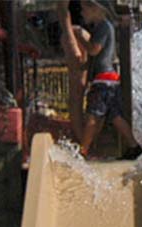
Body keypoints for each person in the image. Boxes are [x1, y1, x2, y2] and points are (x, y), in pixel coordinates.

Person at [69, 0, 142, 160]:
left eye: (84, 9)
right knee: (115, 116)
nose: (82, 13)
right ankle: (134, 146)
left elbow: (94, 50)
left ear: (96, 8)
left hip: (103, 79)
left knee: (92, 115)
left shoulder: (103, 26)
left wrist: (79, 36)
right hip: (110, 79)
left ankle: (83, 151)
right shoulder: (104, 27)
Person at [57, 1, 90, 142]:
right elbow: (62, 7)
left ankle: (86, 136)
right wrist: (71, 40)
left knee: (89, 86)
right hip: (76, 32)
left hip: (91, 30)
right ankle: (80, 139)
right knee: (78, 87)